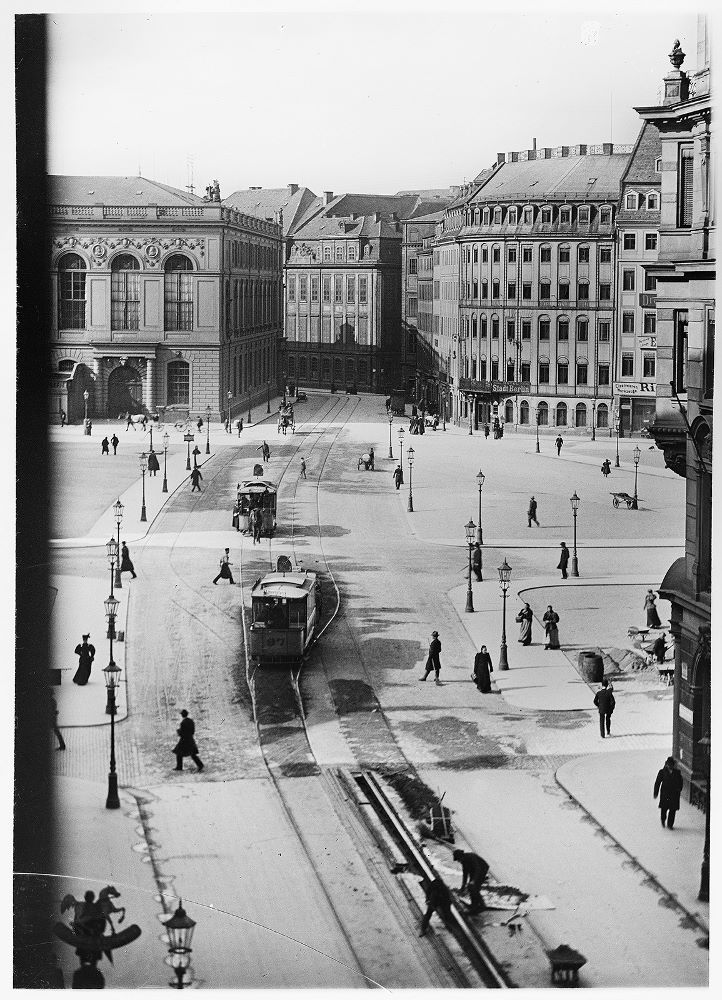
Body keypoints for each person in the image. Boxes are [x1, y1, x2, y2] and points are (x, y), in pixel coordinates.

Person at [452, 849, 489, 914]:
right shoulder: (464, 862)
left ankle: (479, 906)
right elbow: (465, 874)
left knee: (474, 887)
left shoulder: (471, 857)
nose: (459, 861)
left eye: (458, 859)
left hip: (482, 869)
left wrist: (474, 881)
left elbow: (478, 869)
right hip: (474, 870)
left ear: (461, 857)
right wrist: (463, 887)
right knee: (470, 887)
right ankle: (475, 904)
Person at [653, 756, 683, 829]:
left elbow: (680, 782)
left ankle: (670, 825)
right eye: (668, 765)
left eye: (671, 765)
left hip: (674, 794)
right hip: (665, 794)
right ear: (666, 764)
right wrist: (655, 792)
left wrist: (679, 789)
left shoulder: (677, 773)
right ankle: (663, 820)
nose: (670, 766)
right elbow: (658, 782)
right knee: (664, 809)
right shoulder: (662, 772)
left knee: (672, 810)